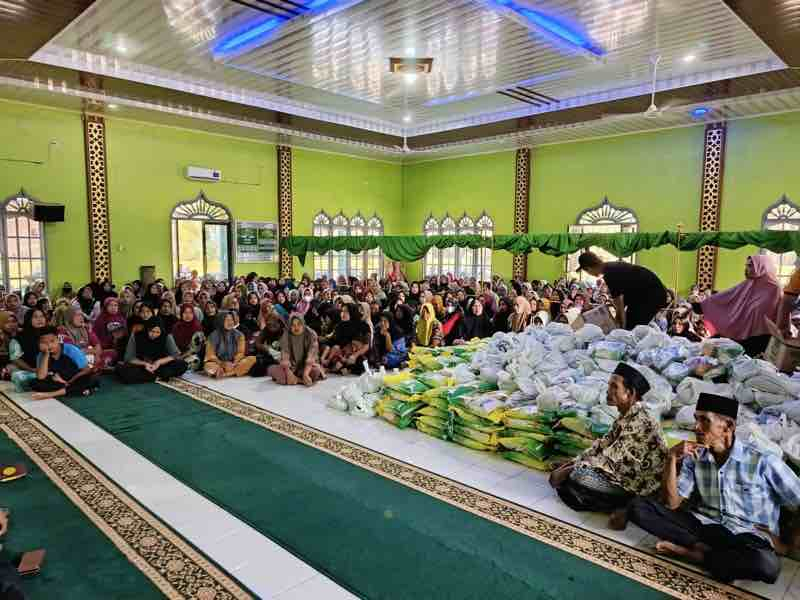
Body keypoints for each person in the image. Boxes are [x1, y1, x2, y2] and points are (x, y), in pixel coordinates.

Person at [628, 393, 800, 584]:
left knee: (768, 565)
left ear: (728, 427)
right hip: (705, 527)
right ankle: (710, 554)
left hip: (747, 536)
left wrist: (786, 546)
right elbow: (672, 504)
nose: (696, 427)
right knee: (639, 506)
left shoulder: (764, 461)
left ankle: (694, 555)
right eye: (696, 419)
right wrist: (671, 458)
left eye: (704, 420)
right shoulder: (695, 456)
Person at [550, 363, 667, 529]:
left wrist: (569, 469)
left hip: (637, 487)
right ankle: (607, 504)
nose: (608, 391)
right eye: (609, 385)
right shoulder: (625, 416)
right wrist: (571, 463)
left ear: (630, 393)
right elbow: (600, 447)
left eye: (614, 386)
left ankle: (625, 506)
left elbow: (608, 459)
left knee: (580, 476)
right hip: (620, 474)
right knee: (571, 474)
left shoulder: (641, 420)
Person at [696, 255, 781, 356]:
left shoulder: (774, 289)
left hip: (762, 338)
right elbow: (728, 296)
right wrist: (704, 305)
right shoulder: (749, 284)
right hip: (743, 336)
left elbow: (774, 314)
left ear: (762, 266)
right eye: (746, 265)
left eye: (750, 266)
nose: (746, 269)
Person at [577, 251, 668, 330]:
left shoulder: (610, 274)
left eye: (587, 272)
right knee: (630, 324)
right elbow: (621, 305)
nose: (589, 274)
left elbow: (620, 306)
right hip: (648, 294)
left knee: (631, 327)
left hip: (651, 295)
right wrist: (619, 323)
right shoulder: (611, 267)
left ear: (588, 268)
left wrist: (622, 328)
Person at [30, 326, 97, 400]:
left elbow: (86, 370)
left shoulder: (71, 350)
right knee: (35, 383)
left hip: (74, 378)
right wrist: (46, 355)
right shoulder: (41, 355)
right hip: (58, 381)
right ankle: (75, 391)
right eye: (44, 343)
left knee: (89, 379)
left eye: (52, 341)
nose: (49, 345)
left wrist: (68, 382)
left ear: (58, 339)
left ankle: (50, 394)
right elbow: (41, 377)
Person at [116, 318, 188, 384]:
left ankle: (151, 376)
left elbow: (175, 355)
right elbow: (129, 358)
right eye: (152, 331)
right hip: (142, 366)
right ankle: (157, 376)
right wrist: (145, 364)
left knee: (182, 364)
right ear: (147, 329)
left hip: (160, 366)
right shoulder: (136, 336)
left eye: (157, 332)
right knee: (121, 369)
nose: (154, 334)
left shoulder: (167, 336)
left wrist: (159, 362)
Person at [268, 315, 324, 386]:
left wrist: (306, 374)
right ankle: (273, 370)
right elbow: (285, 356)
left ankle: (297, 379)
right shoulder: (286, 334)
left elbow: (311, 357)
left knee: (315, 372)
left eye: (299, 324)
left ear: (303, 324)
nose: (296, 327)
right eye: (293, 325)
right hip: (290, 366)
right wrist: (289, 373)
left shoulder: (310, 334)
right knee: (282, 379)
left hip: (304, 366)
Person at [203, 311, 256, 378]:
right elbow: (210, 355)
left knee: (252, 359)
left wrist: (234, 363)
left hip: (234, 363)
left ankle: (226, 374)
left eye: (231, 320)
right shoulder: (213, 336)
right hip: (218, 363)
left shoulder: (239, 335)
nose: (230, 322)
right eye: (227, 320)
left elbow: (240, 352)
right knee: (208, 366)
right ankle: (220, 371)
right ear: (220, 321)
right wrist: (222, 364)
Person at [171, 303, 205, 371]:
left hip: (191, 354)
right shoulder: (176, 326)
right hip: (177, 354)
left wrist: (182, 357)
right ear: (181, 314)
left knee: (193, 361)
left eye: (190, 313)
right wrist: (176, 355)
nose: (188, 315)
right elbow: (173, 344)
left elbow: (195, 349)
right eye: (185, 313)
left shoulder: (197, 328)